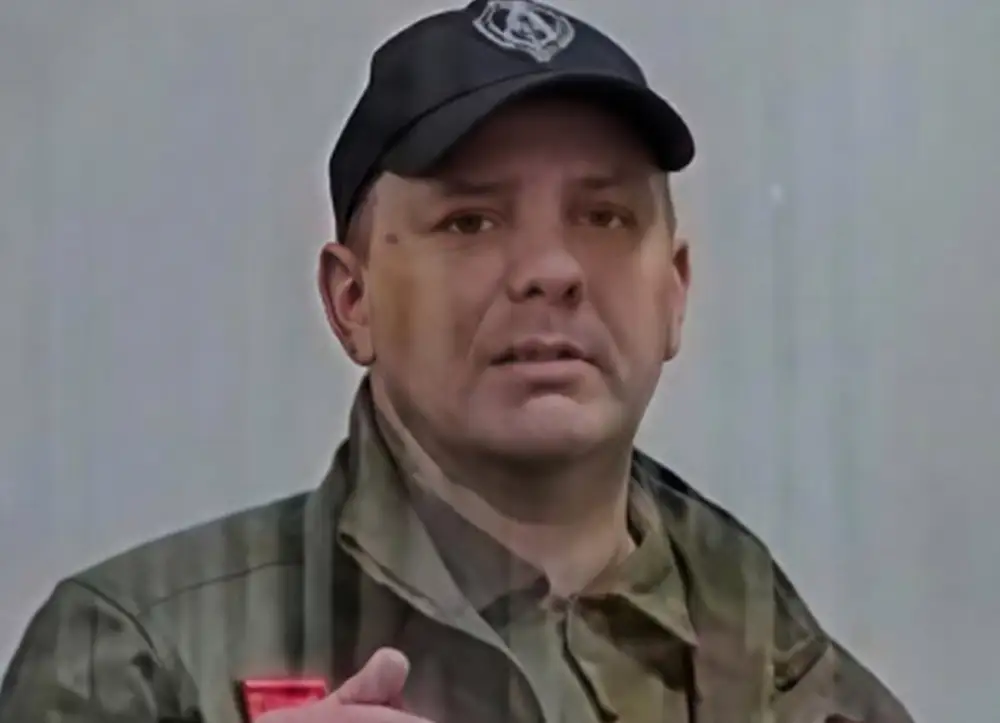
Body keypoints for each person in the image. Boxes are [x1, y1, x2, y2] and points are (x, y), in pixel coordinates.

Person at [0, 2, 915, 722]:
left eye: (604, 217)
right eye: (470, 221)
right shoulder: (136, 660)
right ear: (351, 299)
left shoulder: (808, 692)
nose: (551, 270)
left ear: (674, 291)